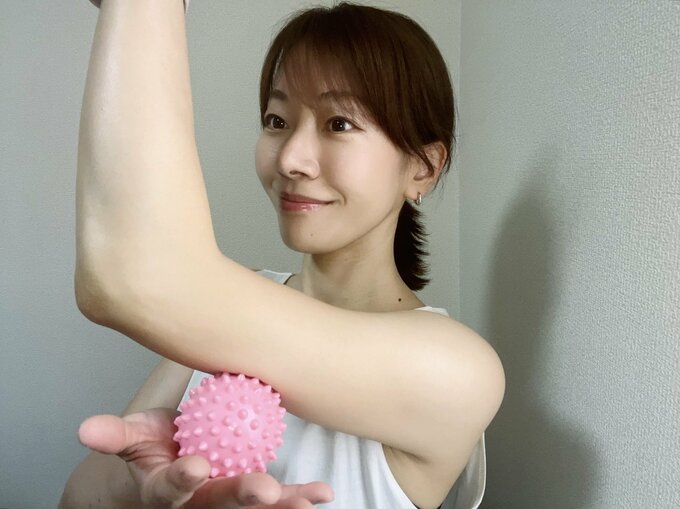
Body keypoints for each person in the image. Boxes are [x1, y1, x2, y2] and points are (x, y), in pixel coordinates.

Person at [60, 1, 505, 508]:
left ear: (422, 167)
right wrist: (144, 486)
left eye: (339, 124)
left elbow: (129, 279)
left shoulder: (458, 370)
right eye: (277, 120)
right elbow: (76, 499)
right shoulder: (221, 308)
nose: (291, 159)